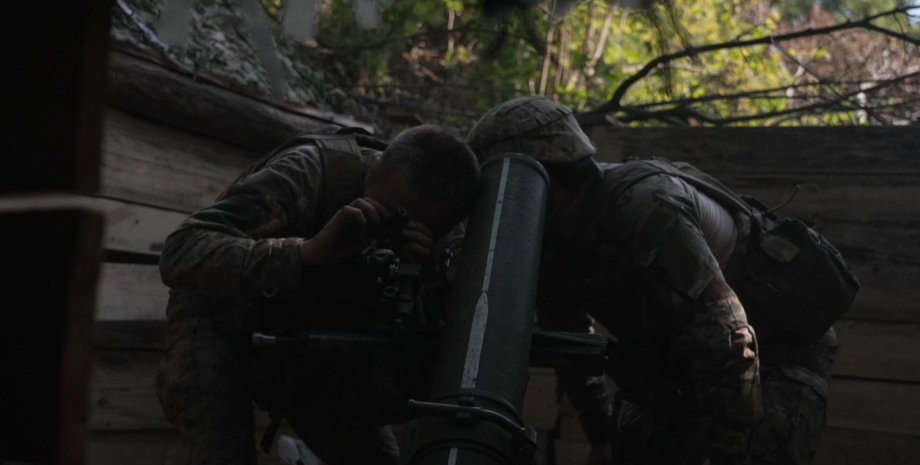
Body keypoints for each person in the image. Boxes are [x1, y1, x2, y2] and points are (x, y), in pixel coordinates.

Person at [465, 96, 856, 465]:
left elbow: (728, 334)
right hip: (683, 364)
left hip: (775, 349)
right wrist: (601, 436)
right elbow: (571, 340)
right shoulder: (552, 237)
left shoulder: (644, 206)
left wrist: (726, 453)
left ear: (551, 177)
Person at [156, 124, 481, 465]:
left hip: (311, 339)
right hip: (218, 316)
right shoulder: (312, 173)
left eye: (409, 228)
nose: (388, 234)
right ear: (376, 170)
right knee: (221, 448)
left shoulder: (446, 242)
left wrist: (425, 275)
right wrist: (305, 253)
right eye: (383, 213)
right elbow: (181, 251)